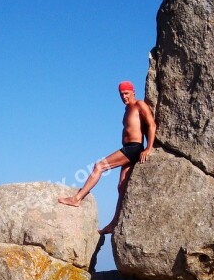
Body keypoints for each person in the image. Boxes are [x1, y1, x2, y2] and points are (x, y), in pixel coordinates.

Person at [58, 81, 156, 234]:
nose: (124, 97)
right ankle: (114, 223)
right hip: (127, 149)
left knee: (99, 166)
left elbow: (151, 125)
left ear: (133, 91)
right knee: (121, 187)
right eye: (121, 94)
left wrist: (148, 148)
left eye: (126, 93)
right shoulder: (127, 109)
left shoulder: (139, 105)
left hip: (134, 148)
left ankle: (77, 199)